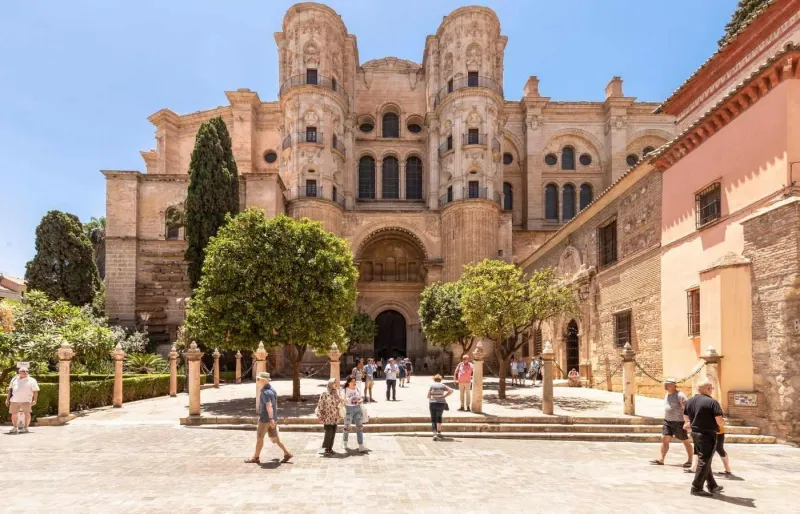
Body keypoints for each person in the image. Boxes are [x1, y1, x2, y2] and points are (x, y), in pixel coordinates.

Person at [683, 380, 725, 497]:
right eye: (711, 388)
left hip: (695, 433)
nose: (712, 390)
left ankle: (712, 485)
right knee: (704, 460)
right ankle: (696, 487)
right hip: (707, 434)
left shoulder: (690, 401)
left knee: (705, 459)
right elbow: (719, 421)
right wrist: (722, 423)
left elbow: (686, 416)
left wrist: (689, 422)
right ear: (708, 389)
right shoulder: (712, 402)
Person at [246, 372, 293, 464]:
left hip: (265, 419)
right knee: (275, 438)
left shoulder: (265, 392)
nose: (258, 380)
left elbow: (269, 406)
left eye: (258, 379)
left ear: (263, 380)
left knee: (260, 438)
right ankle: (287, 453)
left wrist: (271, 419)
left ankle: (255, 457)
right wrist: (273, 418)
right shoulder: (272, 390)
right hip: (272, 418)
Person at [649, 378, 692, 467]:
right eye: (665, 384)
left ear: (673, 385)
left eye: (667, 384)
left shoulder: (680, 395)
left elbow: (687, 408)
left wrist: (687, 421)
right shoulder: (667, 394)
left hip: (679, 422)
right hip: (667, 421)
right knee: (664, 439)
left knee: (685, 441)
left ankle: (690, 460)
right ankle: (661, 459)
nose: (665, 385)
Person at [5, 367, 39, 434]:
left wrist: (35, 400)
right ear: (19, 372)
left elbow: (35, 391)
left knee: (27, 413)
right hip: (14, 400)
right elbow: (10, 390)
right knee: (14, 414)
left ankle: (26, 428)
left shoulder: (32, 380)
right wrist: (7, 399)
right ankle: (15, 427)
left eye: (27, 371)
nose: (25, 372)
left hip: (26, 400)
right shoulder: (14, 379)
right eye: (23, 371)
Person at [316, 378, 343, 456]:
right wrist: (320, 415)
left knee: (333, 432)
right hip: (327, 416)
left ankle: (330, 448)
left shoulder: (337, 392)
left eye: (336, 383)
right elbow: (320, 405)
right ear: (330, 384)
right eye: (334, 383)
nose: (335, 384)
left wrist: (341, 399)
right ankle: (326, 448)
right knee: (329, 432)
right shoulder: (324, 393)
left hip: (335, 416)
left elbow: (341, 402)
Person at [342, 377, 368, 452]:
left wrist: (361, 400)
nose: (354, 383)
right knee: (347, 426)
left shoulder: (357, 388)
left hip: (357, 409)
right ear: (349, 382)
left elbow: (361, 398)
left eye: (355, 381)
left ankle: (361, 445)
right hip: (348, 409)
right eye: (353, 381)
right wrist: (345, 400)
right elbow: (342, 399)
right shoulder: (344, 390)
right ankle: (345, 443)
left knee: (360, 427)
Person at [427, 374, 454, 440]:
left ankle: (435, 434)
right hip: (441, 403)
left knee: (433, 418)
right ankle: (439, 432)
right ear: (440, 379)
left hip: (433, 403)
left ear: (434, 379)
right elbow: (451, 390)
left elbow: (428, 396)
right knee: (439, 417)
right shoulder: (443, 385)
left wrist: (432, 397)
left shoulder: (432, 386)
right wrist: (444, 396)